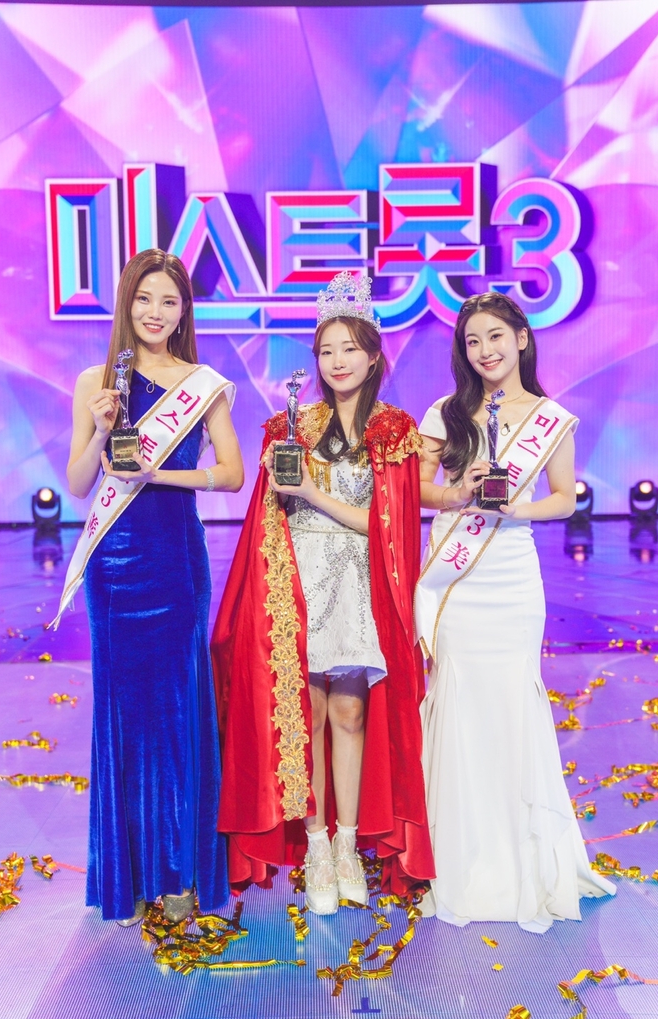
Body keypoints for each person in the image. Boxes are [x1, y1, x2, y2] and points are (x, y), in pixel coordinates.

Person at [212, 272, 434, 914]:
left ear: (373, 356)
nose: (338, 361)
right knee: (304, 715)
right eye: (327, 350)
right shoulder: (292, 426)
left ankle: (346, 844)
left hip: (359, 585)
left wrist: (312, 493)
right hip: (297, 584)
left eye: (350, 349)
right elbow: (266, 519)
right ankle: (313, 843)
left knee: (350, 713)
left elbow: (391, 525)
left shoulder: (394, 430)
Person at [415, 291, 615, 933]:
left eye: (496, 336)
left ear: (522, 338)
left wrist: (513, 510)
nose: (485, 350)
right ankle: (458, 854)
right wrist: (458, 492)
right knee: (460, 700)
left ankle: (524, 857)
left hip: (511, 576)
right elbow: (415, 488)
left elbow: (563, 498)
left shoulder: (551, 418)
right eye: (473, 341)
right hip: (458, 579)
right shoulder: (446, 412)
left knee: (511, 703)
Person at [63, 249, 243, 925]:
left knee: (176, 713)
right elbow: (79, 482)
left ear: (184, 310)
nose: (156, 312)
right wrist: (102, 430)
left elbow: (231, 474)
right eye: (145, 299)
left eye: (169, 301)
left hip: (175, 560)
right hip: (113, 567)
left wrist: (157, 475)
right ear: (126, 303)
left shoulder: (202, 384)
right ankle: (129, 873)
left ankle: (178, 869)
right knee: (123, 715)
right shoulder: (95, 382)